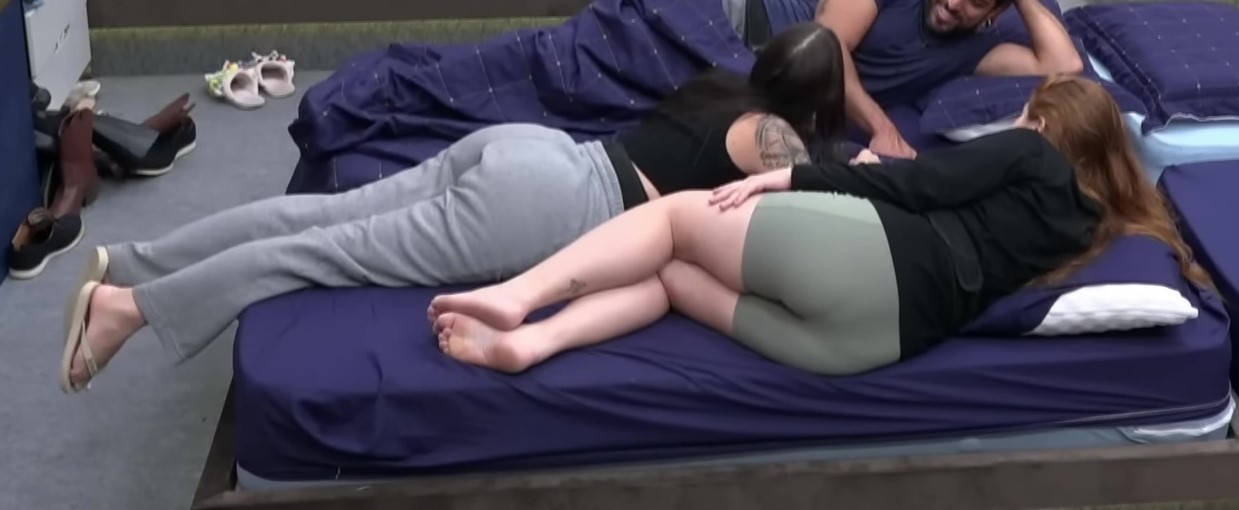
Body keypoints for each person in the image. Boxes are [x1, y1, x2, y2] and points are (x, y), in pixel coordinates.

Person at [56, 23, 848, 393]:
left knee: (314, 220)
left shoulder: (717, 86)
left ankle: (132, 263)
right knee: (318, 253)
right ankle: (128, 307)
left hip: (535, 152)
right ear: (814, 105)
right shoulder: (774, 137)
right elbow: (820, 195)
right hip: (558, 206)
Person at [426, 75, 1213, 375]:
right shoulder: (1086, 231)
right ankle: (531, 346)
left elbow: (917, 183)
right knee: (669, 274)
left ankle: (519, 299)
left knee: (669, 219)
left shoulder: (1031, 153)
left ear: (1045, 125)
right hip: (858, 347)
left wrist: (789, 176)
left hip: (873, 261)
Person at [723, 0, 1083, 158]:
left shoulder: (977, 50)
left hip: (774, 79)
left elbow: (1064, 64)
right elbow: (828, 41)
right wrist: (882, 127)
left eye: (975, 1)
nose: (953, 3)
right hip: (749, 20)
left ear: (996, 11)